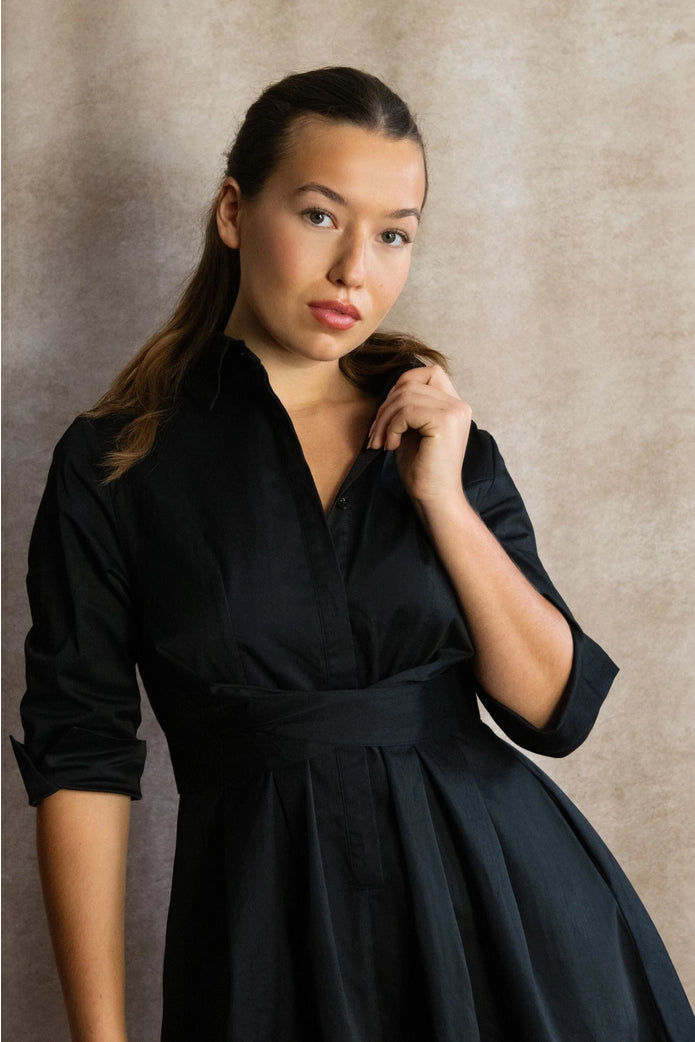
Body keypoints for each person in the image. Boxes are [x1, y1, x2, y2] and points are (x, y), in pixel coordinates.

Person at [11, 66, 694, 1042]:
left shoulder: (443, 442)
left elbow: (555, 710)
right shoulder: (117, 460)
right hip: (266, 938)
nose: (354, 271)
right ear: (236, 212)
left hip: (506, 924)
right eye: (321, 215)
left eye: (393, 233)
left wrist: (442, 501)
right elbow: (81, 755)